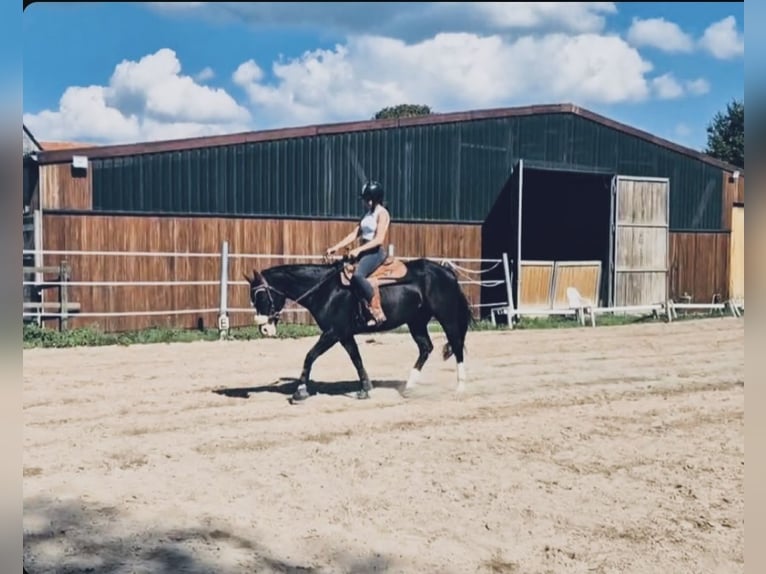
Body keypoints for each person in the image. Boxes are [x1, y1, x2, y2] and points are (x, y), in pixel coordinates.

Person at [325, 180, 391, 326]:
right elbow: (354, 234)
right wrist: (335, 247)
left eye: (365, 199)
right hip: (364, 251)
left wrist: (358, 249)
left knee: (357, 276)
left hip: (375, 252)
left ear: (372, 199)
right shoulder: (367, 214)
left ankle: (376, 309)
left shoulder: (382, 214)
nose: (363, 202)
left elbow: (379, 239)